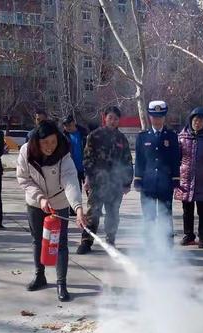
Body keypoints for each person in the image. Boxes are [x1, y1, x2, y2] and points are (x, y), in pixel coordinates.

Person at [17, 121, 86, 301]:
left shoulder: (64, 154)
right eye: (45, 142)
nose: (50, 147)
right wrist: (40, 198)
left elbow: (70, 181)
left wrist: (78, 208)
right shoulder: (26, 151)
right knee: (37, 239)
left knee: (60, 242)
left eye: (53, 142)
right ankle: (40, 276)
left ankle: (61, 283)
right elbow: (23, 179)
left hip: (59, 201)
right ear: (37, 141)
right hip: (35, 203)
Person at [76, 106, 133, 254]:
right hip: (97, 183)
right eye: (110, 118)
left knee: (113, 213)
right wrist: (87, 178)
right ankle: (86, 241)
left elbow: (127, 161)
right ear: (105, 118)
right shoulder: (94, 136)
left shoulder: (122, 139)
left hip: (115, 184)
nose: (113, 121)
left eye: (115, 119)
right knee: (92, 213)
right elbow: (87, 159)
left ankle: (110, 240)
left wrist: (127, 183)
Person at [134, 100, 180, 243]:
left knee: (165, 213)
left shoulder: (171, 136)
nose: (157, 119)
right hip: (147, 183)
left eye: (160, 116)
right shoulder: (142, 136)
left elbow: (175, 158)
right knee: (149, 215)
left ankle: (167, 243)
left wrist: (175, 178)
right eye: (154, 116)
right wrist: (137, 178)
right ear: (149, 117)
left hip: (165, 183)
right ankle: (150, 243)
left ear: (164, 117)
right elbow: (139, 159)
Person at [174, 107, 203, 249]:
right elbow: (176, 158)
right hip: (185, 179)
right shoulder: (182, 137)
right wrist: (175, 177)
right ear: (190, 121)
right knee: (187, 210)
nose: (197, 123)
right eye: (195, 120)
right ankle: (188, 235)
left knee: (202, 210)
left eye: (200, 120)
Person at [62, 114, 88, 208]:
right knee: (75, 190)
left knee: (90, 190)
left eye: (69, 124)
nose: (67, 127)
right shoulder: (63, 136)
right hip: (72, 168)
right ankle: (74, 210)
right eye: (65, 125)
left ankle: (93, 210)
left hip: (86, 167)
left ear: (73, 122)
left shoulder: (84, 134)